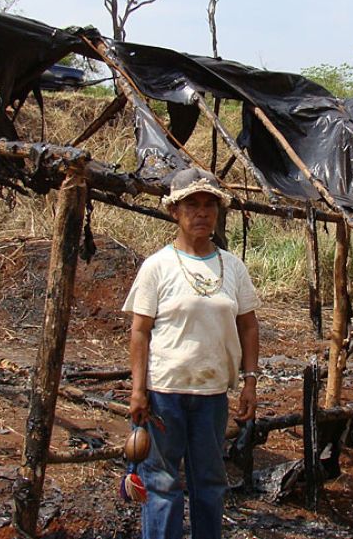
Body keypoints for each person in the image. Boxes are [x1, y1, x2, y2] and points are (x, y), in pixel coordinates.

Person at [121, 167, 261, 539]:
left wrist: (250, 381)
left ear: (218, 212)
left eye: (209, 206)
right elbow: (140, 331)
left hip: (212, 395)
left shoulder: (231, 267)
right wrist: (138, 391)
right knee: (162, 484)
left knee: (210, 483)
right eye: (192, 205)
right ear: (174, 212)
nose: (201, 213)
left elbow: (248, 325)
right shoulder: (157, 267)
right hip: (165, 394)